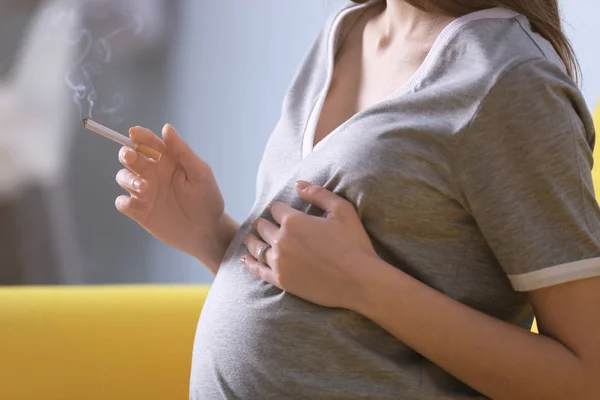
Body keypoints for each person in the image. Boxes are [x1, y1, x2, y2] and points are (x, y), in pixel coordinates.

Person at [114, 0, 600, 398]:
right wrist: (211, 233)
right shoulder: (347, 30)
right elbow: (314, 287)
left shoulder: (510, 81)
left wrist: (366, 285)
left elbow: (586, 378)